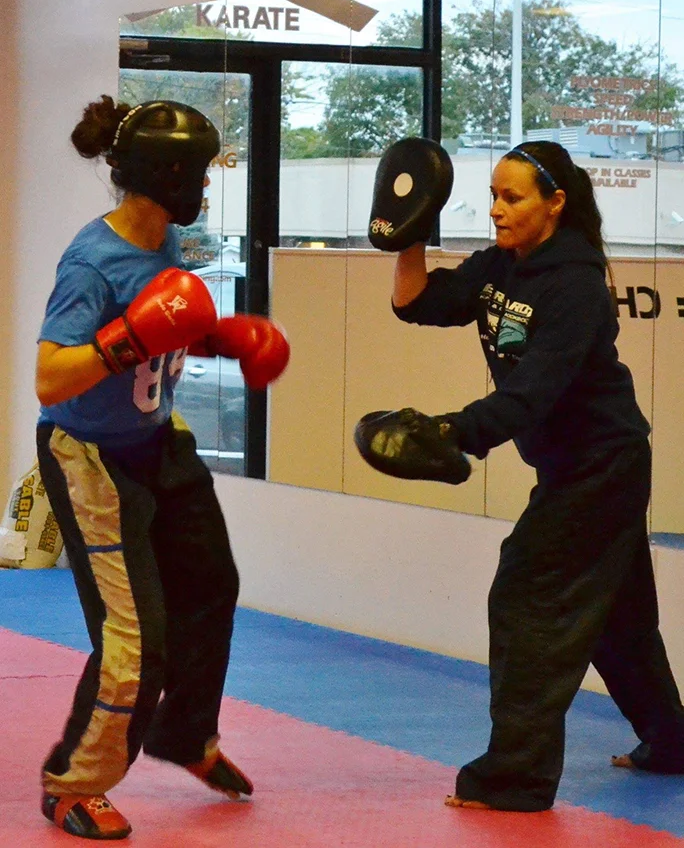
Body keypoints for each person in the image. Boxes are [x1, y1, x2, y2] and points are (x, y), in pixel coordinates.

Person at [363, 139, 684, 812]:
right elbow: (417, 301)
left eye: (512, 198)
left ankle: (516, 776)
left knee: (528, 600)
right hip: (580, 466)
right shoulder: (501, 267)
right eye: (493, 196)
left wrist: (451, 431)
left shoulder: (574, 286)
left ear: (555, 203)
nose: (497, 210)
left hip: (602, 465)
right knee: (618, 623)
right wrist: (411, 234)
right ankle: (674, 743)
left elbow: (530, 396)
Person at [35, 96, 289, 840]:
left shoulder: (165, 246)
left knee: (212, 584)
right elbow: (51, 378)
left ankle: (185, 734)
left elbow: (163, 335)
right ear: (163, 173)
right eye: (198, 172)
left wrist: (219, 342)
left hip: (158, 443)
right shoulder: (91, 260)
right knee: (134, 635)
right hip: (91, 459)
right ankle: (73, 785)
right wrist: (128, 337)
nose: (206, 188)